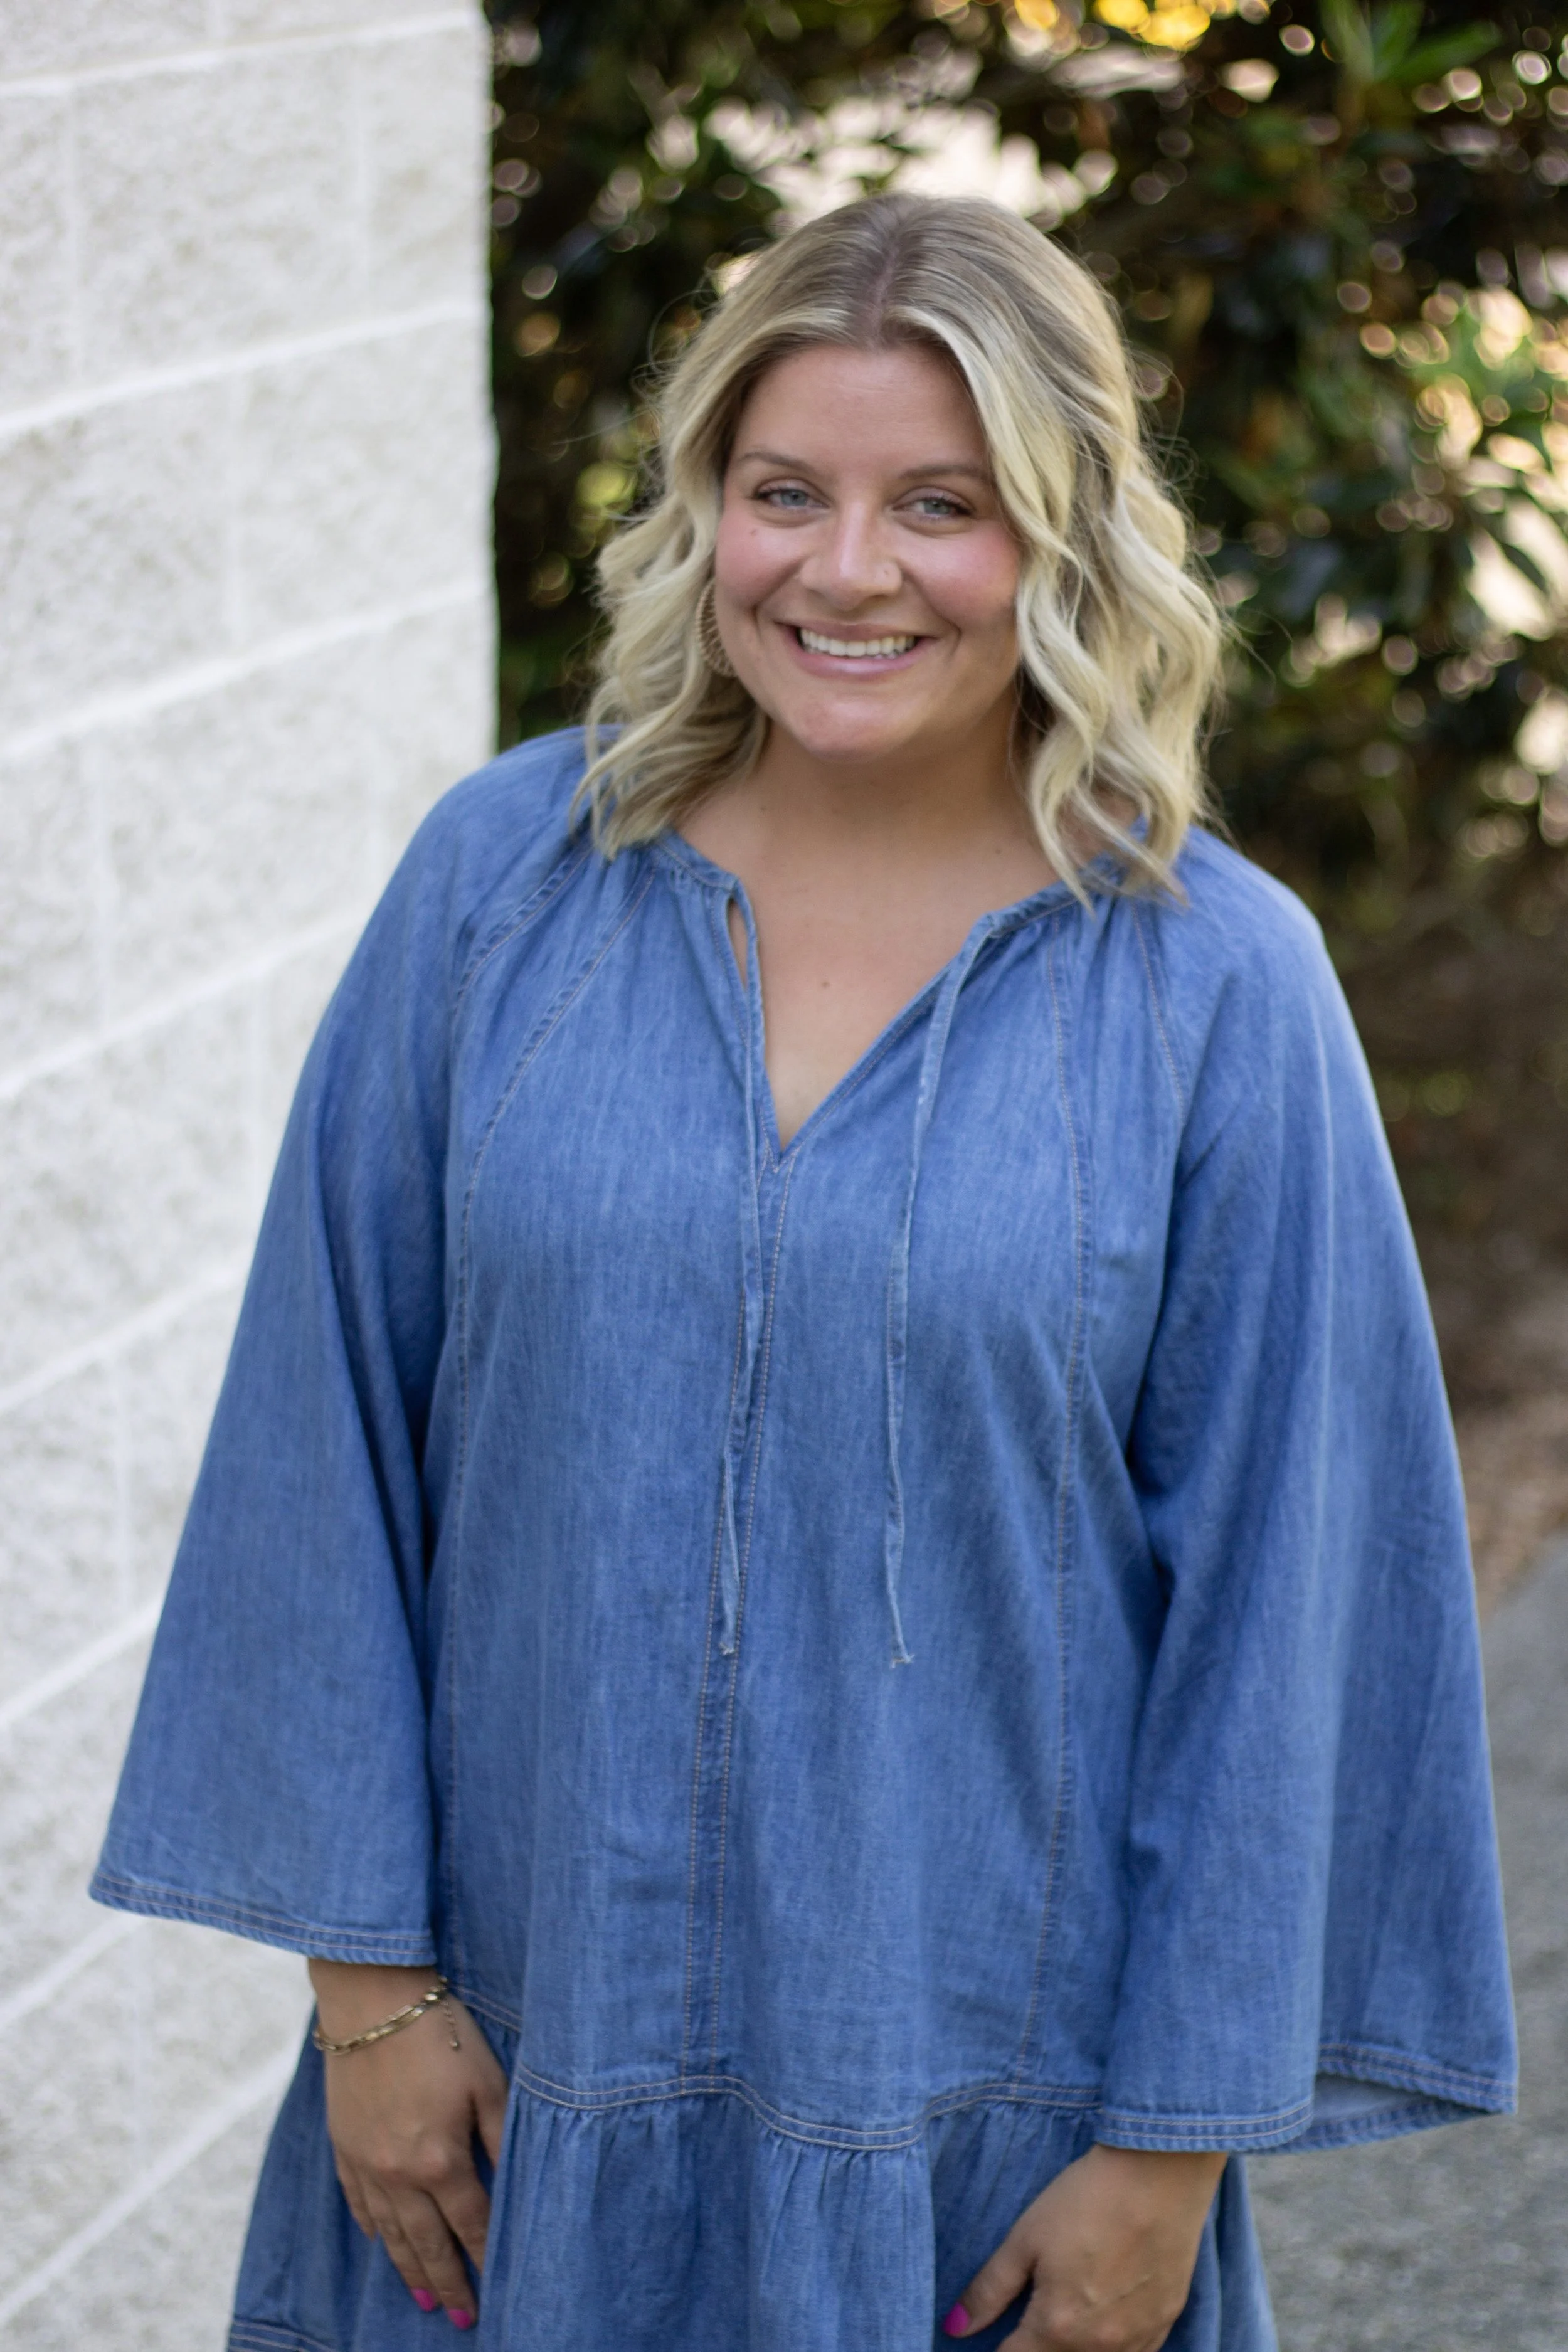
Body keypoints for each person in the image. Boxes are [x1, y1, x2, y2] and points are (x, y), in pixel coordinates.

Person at [93, 193, 1515, 2352]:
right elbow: (323, 1438)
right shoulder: (501, 889)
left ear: (1061, 537)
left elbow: (1293, 1601)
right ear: (706, 515)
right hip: (496, 2134)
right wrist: (368, 2008)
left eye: (936, 505)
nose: (845, 570)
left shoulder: (1213, 987)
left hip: (983, 2166)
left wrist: (1159, 2157)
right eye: (786, 494)